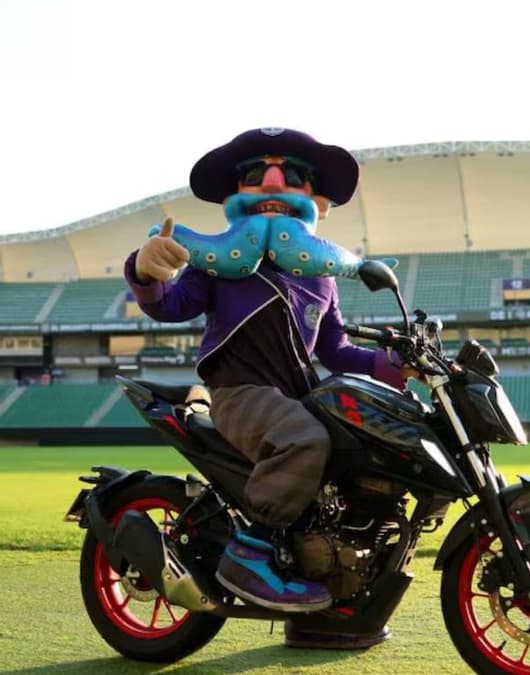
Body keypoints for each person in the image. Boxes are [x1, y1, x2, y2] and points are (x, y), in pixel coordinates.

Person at [124, 128, 414, 649]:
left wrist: (394, 366)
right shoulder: (219, 266)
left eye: (294, 176)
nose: (273, 184)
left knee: (354, 449)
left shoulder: (321, 278)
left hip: (296, 394)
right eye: (254, 175)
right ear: (236, 197)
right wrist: (146, 270)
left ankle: (326, 593)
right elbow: (170, 304)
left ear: (317, 204)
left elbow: (337, 351)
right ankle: (251, 550)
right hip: (239, 392)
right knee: (303, 439)